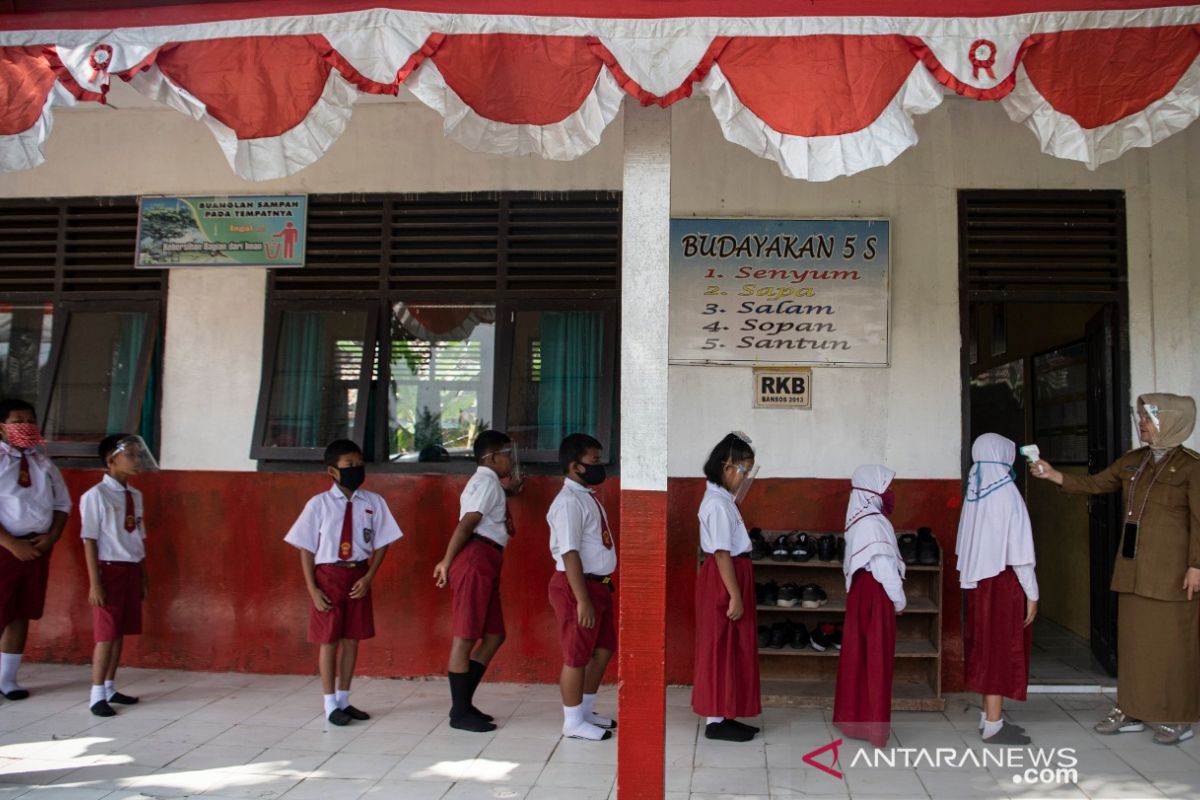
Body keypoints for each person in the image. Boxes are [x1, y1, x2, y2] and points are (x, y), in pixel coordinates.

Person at [1031, 393, 1199, 745]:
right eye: (1140, 417)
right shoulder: (1134, 461)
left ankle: (1177, 715)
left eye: (1149, 418)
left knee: (1173, 646)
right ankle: (1132, 708)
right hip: (1134, 569)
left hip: (1172, 575)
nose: (1142, 424)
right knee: (1135, 645)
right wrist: (1054, 475)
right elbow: (1095, 484)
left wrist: (1196, 566)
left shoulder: (1191, 468)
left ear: (1171, 421)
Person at [284, 439, 402, 725]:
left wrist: (369, 576)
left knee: (352, 640)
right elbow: (306, 548)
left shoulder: (373, 502)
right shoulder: (318, 505)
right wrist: (313, 589)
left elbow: (385, 540)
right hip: (328, 576)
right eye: (349, 465)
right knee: (329, 640)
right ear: (332, 471)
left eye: (360, 464)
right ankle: (329, 704)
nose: (357, 470)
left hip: (358, 574)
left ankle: (345, 699)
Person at [433, 430, 523, 733]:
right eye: (507, 455)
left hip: (489, 558)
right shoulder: (485, 482)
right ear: (493, 457)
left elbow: (488, 512)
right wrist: (446, 561)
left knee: (494, 634)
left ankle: (463, 702)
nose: (511, 461)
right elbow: (466, 525)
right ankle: (459, 713)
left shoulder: (490, 484)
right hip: (476, 557)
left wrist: (509, 492)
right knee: (466, 636)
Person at [956, 433, 1038, 745]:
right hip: (1004, 583)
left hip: (980, 584)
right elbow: (1019, 552)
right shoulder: (1008, 494)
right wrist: (1032, 592)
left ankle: (988, 717)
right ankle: (993, 723)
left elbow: (966, 545)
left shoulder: (975, 492)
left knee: (986, 645)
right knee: (1001, 648)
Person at [692, 431, 762, 742]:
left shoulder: (724, 500)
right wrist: (734, 595)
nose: (745, 477)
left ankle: (727, 712)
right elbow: (721, 552)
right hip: (725, 577)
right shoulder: (717, 504)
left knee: (733, 646)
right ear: (727, 466)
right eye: (744, 469)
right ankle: (715, 719)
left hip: (734, 573)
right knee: (720, 645)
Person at [547, 432, 617, 741]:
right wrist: (582, 599)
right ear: (575, 466)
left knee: (602, 649)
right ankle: (572, 721)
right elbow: (570, 551)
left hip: (598, 586)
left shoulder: (585, 496)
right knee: (576, 656)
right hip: (578, 587)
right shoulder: (568, 502)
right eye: (594, 461)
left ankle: (586, 710)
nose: (599, 466)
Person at [0, 398, 71, 701]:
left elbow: (62, 504)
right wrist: (11, 543)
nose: (25, 427)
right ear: (1, 427)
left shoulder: (43, 461)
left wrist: (51, 536)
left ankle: (7, 680)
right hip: (6, 547)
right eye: (17, 421)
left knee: (21, 612)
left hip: (37, 546)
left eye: (30, 420)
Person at [80, 434, 155, 716]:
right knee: (106, 634)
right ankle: (96, 694)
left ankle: (110, 686)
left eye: (138, 455)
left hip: (131, 568)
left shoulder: (135, 495)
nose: (137, 461)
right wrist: (95, 582)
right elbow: (89, 539)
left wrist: (144, 576)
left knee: (120, 630)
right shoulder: (94, 496)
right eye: (131, 455)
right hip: (108, 569)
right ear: (112, 459)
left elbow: (139, 537)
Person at [833, 464, 906, 748]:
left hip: (862, 594)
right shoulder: (873, 522)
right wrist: (899, 599)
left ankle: (854, 719)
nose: (889, 493)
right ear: (873, 489)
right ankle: (874, 727)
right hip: (877, 594)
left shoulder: (859, 517)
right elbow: (884, 566)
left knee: (859, 657)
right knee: (876, 659)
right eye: (885, 486)